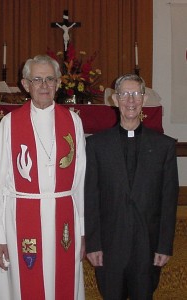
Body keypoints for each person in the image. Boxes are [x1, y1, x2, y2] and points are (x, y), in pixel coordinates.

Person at [0, 55, 86, 300]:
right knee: (25, 283)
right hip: (22, 217)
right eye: (37, 79)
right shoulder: (10, 124)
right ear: (26, 85)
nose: (44, 85)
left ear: (58, 83)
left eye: (50, 79)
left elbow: (80, 180)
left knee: (63, 281)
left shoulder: (73, 122)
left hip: (64, 218)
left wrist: (83, 230)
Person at [84, 73, 179, 300]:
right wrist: (93, 244)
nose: (130, 100)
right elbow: (91, 197)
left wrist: (164, 246)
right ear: (114, 100)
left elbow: (169, 200)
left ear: (144, 99)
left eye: (136, 94)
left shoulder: (163, 146)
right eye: (124, 94)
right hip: (109, 246)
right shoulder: (96, 145)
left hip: (146, 246)